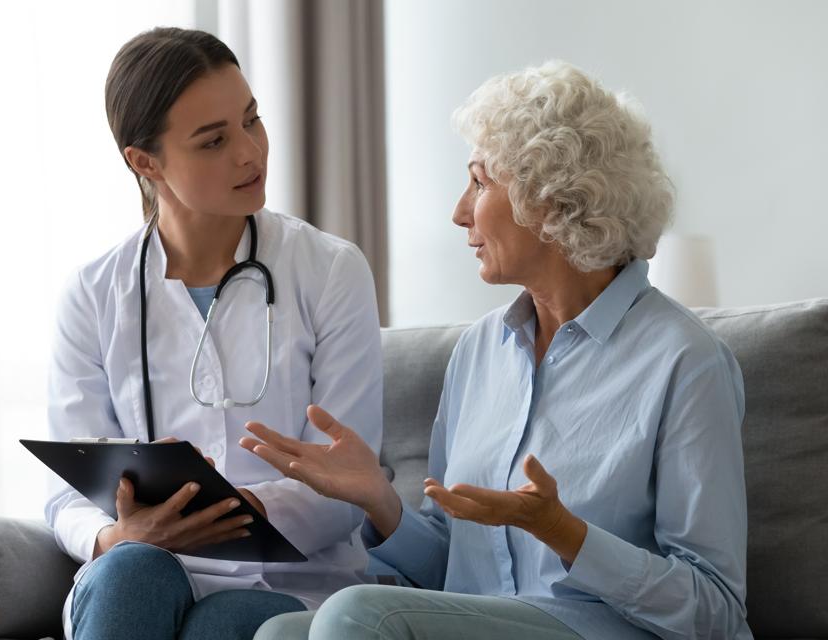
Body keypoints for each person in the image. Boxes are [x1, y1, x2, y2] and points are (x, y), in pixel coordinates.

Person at [246, 60, 752, 639]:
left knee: (353, 615)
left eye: (480, 182)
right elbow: (457, 577)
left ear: (552, 198)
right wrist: (378, 499)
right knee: (279, 634)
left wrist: (565, 532)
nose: (460, 211)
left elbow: (716, 610)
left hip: (609, 630)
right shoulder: (480, 350)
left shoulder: (686, 361)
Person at [44, 27, 383, 640]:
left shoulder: (330, 270)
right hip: (141, 572)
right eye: (215, 141)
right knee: (132, 574)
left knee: (222, 621)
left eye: (252, 121)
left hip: (290, 583)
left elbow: (346, 485)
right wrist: (119, 535)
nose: (251, 153)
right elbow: (66, 491)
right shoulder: (94, 294)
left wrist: (232, 515)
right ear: (144, 162)